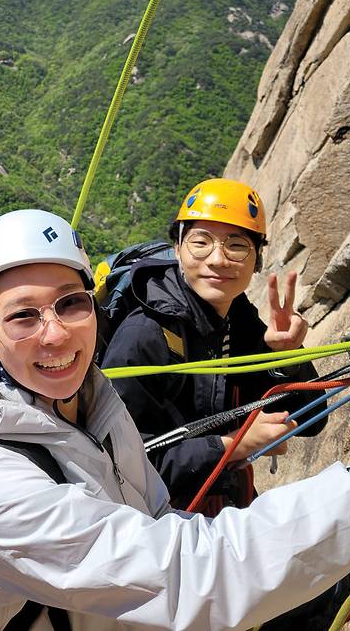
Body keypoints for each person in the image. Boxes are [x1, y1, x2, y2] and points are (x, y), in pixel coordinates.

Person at [0, 208, 350, 630]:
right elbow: (191, 576)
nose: (55, 334)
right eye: (23, 317)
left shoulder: (94, 405)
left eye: (71, 303)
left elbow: (155, 516)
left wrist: (287, 355)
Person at [100, 178, 326, 512]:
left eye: (236, 246)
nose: (218, 259)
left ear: (258, 258)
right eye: (200, 242)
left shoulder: (237, 319)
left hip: (221, 500)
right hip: (162, 524)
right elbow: (119, 470)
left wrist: (287, 356)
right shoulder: (144, 335)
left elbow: (312, 419)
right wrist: (232, 446)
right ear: (177, 248)